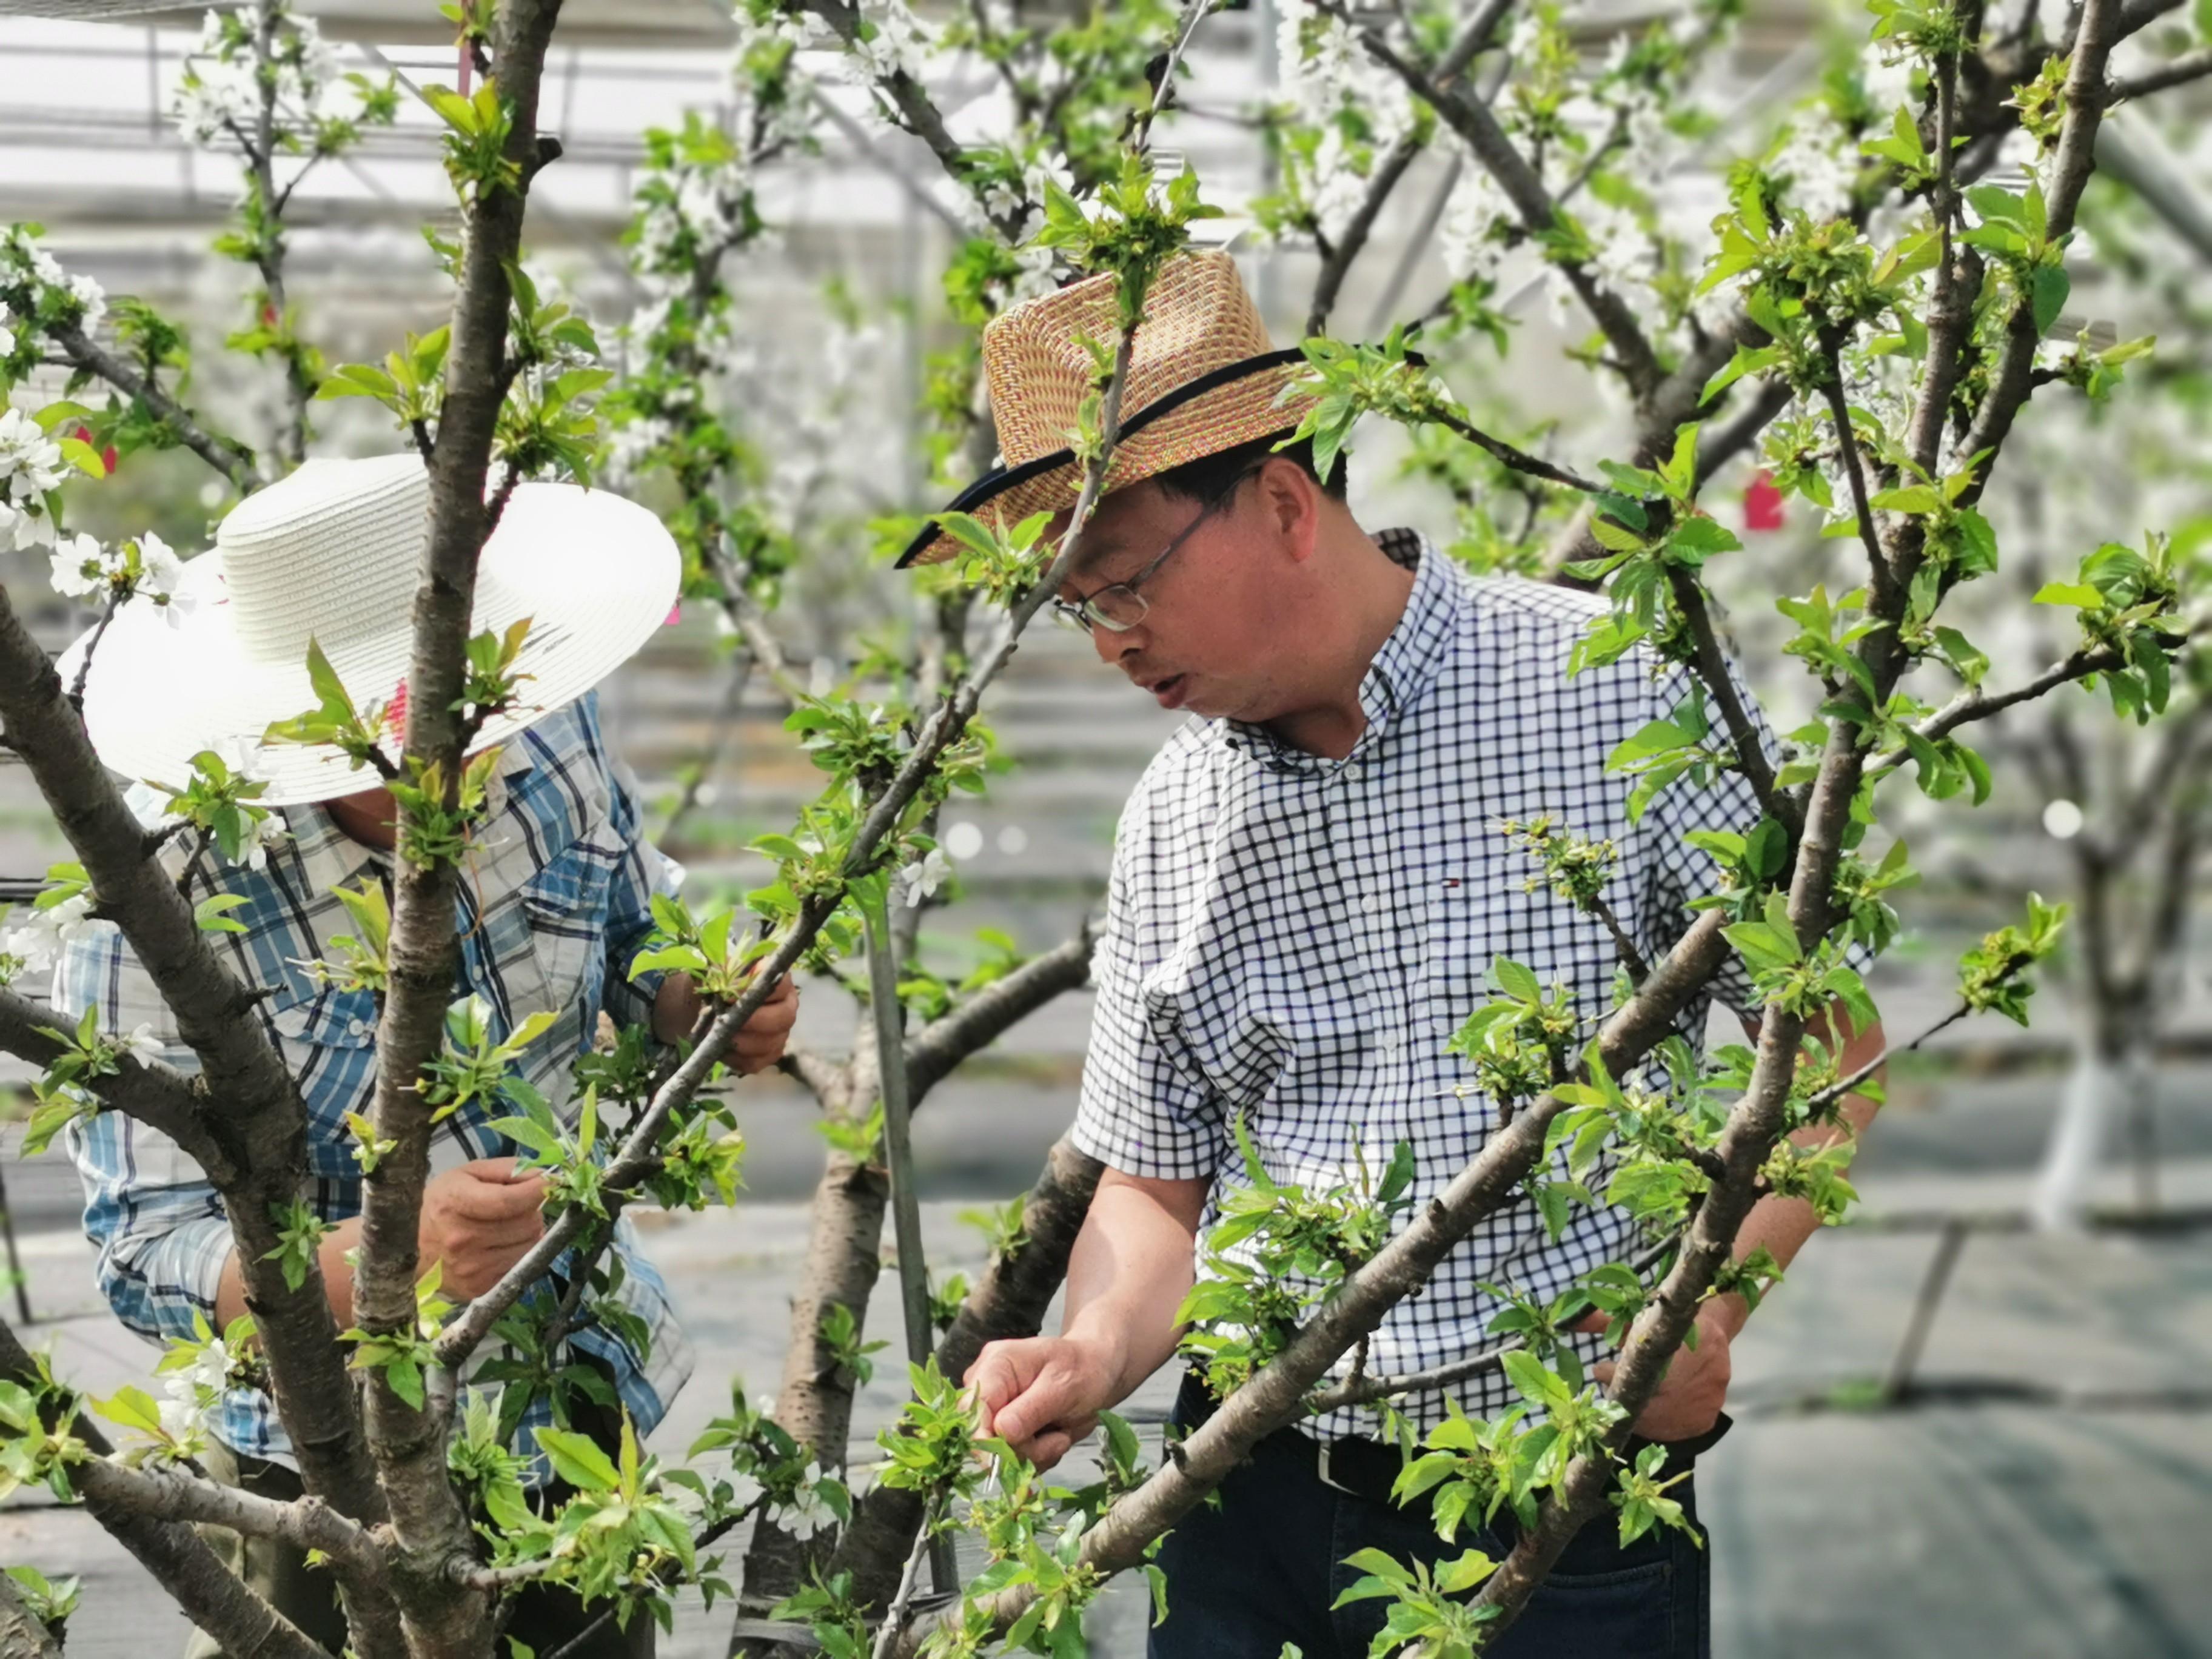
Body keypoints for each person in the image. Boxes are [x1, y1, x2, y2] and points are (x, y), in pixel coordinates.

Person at [908, 253, 1885, 1657]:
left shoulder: (1619, 690)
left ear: (1286, 504)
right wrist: (1100, 1346)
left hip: (1557, 1506)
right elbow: (1152, 1182)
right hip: (1240, 1505)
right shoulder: (1174, 817)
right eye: (1077, 606)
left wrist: (1703, 1309)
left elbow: (1840, 1059)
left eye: (1122, 584)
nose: (1112, 641)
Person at [52, 452, 797, 1658]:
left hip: (571, 1374)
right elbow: (148, 1256)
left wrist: (690, 992)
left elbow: (627, 911)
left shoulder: (544, 724)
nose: (464, 753)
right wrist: (388, 1263)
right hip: (328, 1471)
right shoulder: (163, 895)